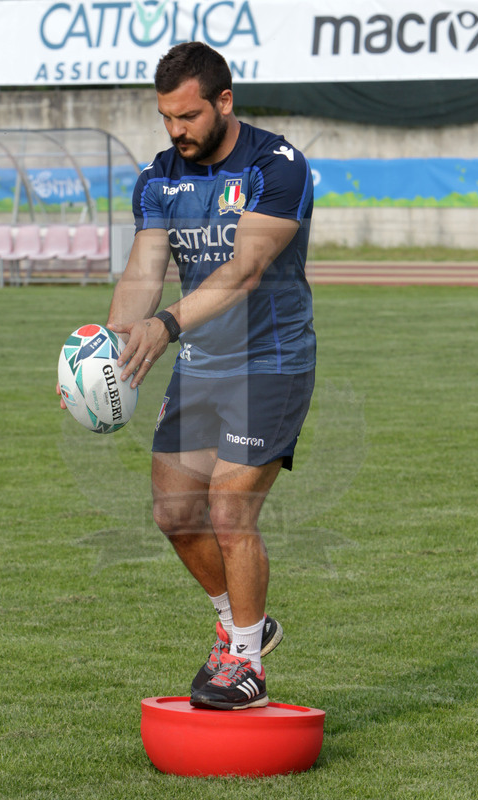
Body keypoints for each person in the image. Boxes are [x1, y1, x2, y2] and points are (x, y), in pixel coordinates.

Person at [59, 42, 316, 710]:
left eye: (188, 115)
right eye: (166, 116)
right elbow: (145, 270)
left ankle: (247, 666)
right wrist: (105, 355)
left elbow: (245, 269)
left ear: (223, 102)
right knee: (175, 514)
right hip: (203, 368)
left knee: (230, 510)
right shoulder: (160, 178)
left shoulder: (275, 166)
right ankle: (241, 627)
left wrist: (166, 326)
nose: (176, 130)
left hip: (271, 362)